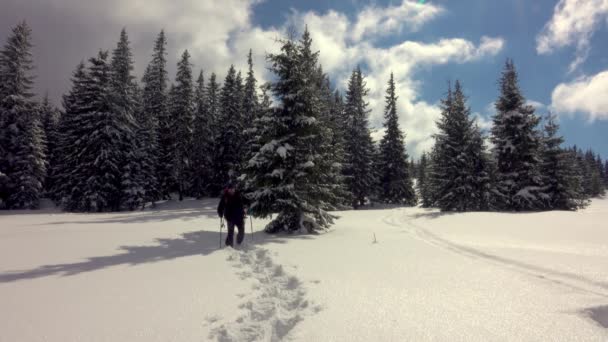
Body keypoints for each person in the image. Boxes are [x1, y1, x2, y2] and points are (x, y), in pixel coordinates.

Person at [217, 182, 248, 247]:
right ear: (228, 189)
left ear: (234, 189)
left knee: (241, 232)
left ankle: (238, 242)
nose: (231, 190)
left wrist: (246, 207)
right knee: (230, 233)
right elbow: (220, 206)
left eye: (233, 189)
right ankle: (229, 246)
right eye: (230, 189)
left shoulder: (239, 195)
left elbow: (245, 202)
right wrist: (220, 212)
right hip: (229, 217)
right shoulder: (225, 197)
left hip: (239, 217)